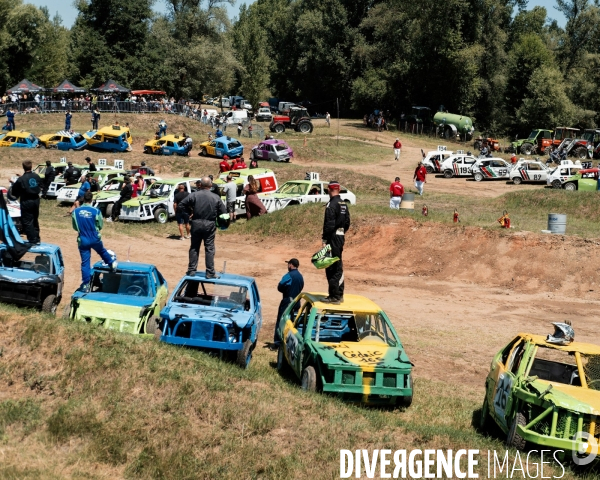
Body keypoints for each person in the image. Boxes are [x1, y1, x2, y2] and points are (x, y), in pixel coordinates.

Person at [178, 177, 227, 278]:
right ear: (210, 185)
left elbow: (181, 205)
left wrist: (189, 213)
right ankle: (210, 272)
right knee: (209, 248)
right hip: (210, 224)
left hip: (196, 223)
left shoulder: (194, 195)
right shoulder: (216, 197)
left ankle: (191, 271)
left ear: (200, 184)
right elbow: (224, 212)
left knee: (194, 247)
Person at [72, 191, 117, 290]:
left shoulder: (76, 211)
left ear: (83, 199)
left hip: (83, 239)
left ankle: (86, 284)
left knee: (85, 262)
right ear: (91, 199)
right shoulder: (96, 211)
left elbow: (75, 227)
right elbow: (100, 225)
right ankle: (112, 264)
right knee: (102, 251)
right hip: (94, 237)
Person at [321, 181, 350, 304]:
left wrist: (325, 239)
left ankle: (335, 296)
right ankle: (338, 294)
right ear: (338, 189)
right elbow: (347, 222)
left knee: (332, 266)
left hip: (332, 238)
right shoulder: (343, 204)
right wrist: (341, 233)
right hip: (340, 236)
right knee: (338, 265)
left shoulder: (331, 205)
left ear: (329, 189)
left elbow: (329, 224)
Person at [274, 258, 304, 345]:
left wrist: (286, 291)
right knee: (293, 322)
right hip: (297, 302)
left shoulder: (289, 275)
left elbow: (280, 286)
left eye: (288, 264)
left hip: (287, 301)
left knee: (281, 320)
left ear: (291, 265)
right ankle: (291, 342)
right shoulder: (300, 276)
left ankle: (278, 342)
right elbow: (301, 287)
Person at [10, 161, 41, 244]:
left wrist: (13, 183)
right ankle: (37, 239)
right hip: (36, 200)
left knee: (27, 221)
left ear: (23, 167)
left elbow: (14, 190)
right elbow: (38, 185)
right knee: (35, 219)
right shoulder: (36, 176)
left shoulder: (21, 179)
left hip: (26, 201)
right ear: (31, 167)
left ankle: (32, 240)